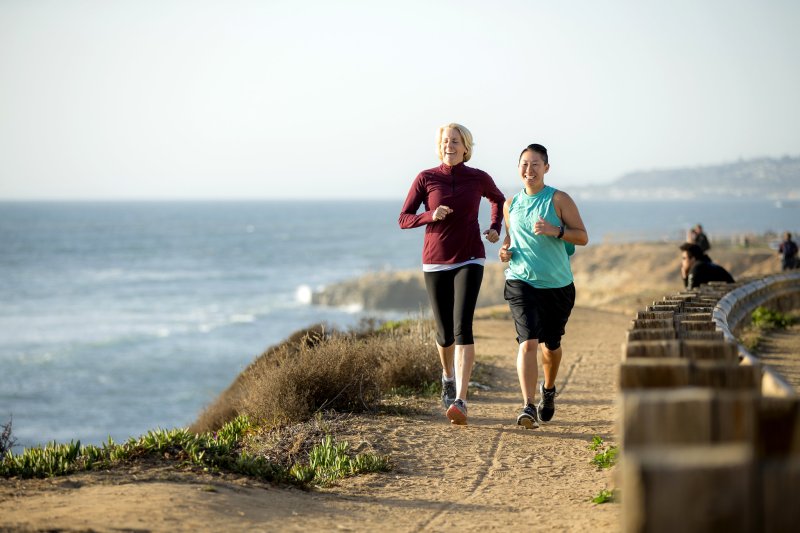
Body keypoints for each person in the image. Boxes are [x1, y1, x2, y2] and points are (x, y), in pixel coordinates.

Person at [398, 123, 505, 426]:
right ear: (440, 145)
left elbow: (498, 200)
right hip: (435, 261)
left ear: (465, 147)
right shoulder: (426, 178)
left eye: (456, 141)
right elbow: (403, 219)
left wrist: (495, 227)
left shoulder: (478, 177)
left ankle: (461, 398)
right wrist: (431, 215)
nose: (450, 145)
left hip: (471, 257)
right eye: (446, 141)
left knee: (462, 327)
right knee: (444, 333)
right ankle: (447, 376)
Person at [498, 143, 588, 429]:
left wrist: (556, 231)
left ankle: (548, 390)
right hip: (520, 280)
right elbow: (510, 240)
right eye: (524, 164)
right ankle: (528, 405)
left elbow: (582, 237)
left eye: (536, 164)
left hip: (558, 285)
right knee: (528, 342)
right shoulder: (511, 204)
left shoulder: (559, 199)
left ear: (546, 168)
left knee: (551, 345)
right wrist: (504, 251)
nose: (529, 169)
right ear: (519, 168)